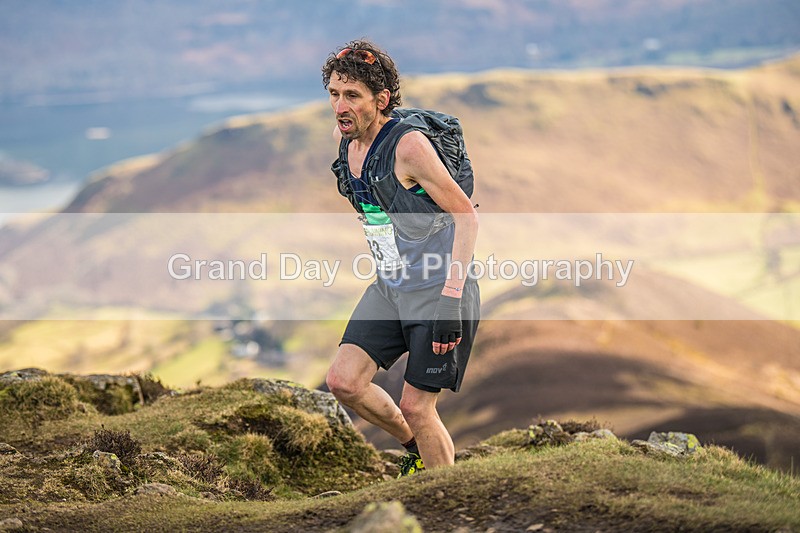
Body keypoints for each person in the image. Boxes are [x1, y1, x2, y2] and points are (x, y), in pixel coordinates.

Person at [322, 40, 480, 477]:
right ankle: (415, 452)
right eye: (334, 93)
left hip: (437, 289)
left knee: (417, 405)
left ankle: (444, 497)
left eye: (352, 95)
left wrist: (451, 301)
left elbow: (465, 218)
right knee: (344, 381)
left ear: (381, 99)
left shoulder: (408, 148)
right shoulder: (344, 139)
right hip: (391, 286)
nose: (340, 105)